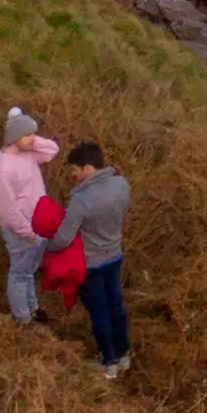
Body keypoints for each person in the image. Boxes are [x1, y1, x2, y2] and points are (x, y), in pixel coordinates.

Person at [61, 142, 132, 377]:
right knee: (116, 306)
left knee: (99, 311)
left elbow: (63, 238)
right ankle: (123, 354)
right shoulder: (121, 184)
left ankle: (108, 362)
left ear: (88, 168)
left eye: (75, 169)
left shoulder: (81, 200)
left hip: (90, 264)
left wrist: (47, 246)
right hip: (114, 254)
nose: (72, 175)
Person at [0, 107, 61, 325]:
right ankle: (23, 320)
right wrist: (29, 233)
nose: (33, 138)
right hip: (22, 230)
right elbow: (8, 211)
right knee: (19, 274)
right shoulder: (2, 170)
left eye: (33, 134)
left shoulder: (27, 153)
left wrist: (30, 137)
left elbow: (52, 150)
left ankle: (33, 309)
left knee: (28, 271)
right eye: (27, 134)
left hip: (36, 226)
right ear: (14, 137)